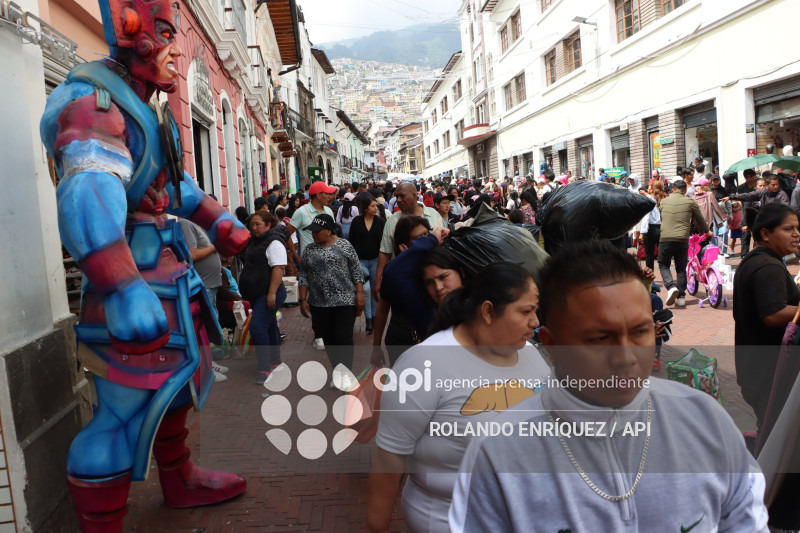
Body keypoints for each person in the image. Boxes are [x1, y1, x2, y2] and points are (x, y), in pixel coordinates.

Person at [39, 0, 251, 528]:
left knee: (176, 390)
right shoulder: (95, 101)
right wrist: (120, 288)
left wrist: (216, 217)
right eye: (164, 32)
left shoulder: (146, 110)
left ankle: (178, 479)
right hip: (134, 284)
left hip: (168, 280)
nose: (176, 49)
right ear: (131, 32)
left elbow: (166, 185)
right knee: (119, 415)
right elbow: (87, 195)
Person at [449, 240, 769, 533]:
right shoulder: (499, 452)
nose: (626, 357)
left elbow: (746, 522)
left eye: (641, 331)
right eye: (600, 338)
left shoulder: (704, 420)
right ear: (552, 344)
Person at [368, 263, 550, 533]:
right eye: (526, 311)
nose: (535, 322)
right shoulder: (423, 365)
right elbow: (389, 459)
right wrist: (376, 527)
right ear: (488, 311)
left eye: (535, 311)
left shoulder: (531, 355)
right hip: (451, 519)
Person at [733, 203, 800, 434]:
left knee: (770, 431)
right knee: (775, 436)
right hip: (767, 372)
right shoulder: (767, 266)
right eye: (788, 229)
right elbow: (774, 315)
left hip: (755, 367)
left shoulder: (756, 261)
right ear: (765, 233)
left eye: (798, 228)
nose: (796, 234)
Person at [298, 214, 365, 388]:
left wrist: (359, 293)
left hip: (345, 301)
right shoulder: (309, 250)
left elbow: (356, 271)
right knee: (329, 340)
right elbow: (303, 275)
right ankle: (337, 372)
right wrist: (302, 298)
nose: (313, 234)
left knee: (343, 338)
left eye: (317, 231)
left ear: (329, 230)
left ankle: (346, 374)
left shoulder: (345, 245)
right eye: (312, 231)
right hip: (319, 303)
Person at [238, 211, 288, 384]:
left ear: (268, 225)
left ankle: (265, 368)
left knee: (258, 327)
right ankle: (275, 362)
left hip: (268, 293)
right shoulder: (255, 240)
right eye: (252, 224)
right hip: (256, 293)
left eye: (258, 224)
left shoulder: (274, 242)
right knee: (269, 326)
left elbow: (278, 268)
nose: (254, 227)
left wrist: (272, 293)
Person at [287, 181, 337, 351]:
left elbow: (333, 233)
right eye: (327, 193)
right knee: (316, 298)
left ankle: (329, 328)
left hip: (330, 259)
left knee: (330, 294)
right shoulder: (302, 212)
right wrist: (296, 257)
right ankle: (319, 335)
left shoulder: (329, 211)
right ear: (317, 195)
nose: (330, 196)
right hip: (310, 260)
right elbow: (287, 234)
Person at [374, 182, 444, 299]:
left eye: (402, 196)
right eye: (396, 197)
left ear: (415, 196)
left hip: (433, 278)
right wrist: (377, 281)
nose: (399, 200)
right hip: (404, 281)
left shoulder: (434, 216)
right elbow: (384, 253)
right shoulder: (392, 222)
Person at [658, 179, 711, 307]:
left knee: (663, 264)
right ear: (685, 190)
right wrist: (707, 231)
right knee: (681, 267)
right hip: (682, 239)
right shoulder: (690, 202)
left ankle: (671, 286)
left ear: (672, 189)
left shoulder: (663, 202)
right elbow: (700, 219)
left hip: (665, 238)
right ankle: (681, 297)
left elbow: (662, 217)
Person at [348, 196, 386, 333]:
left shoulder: (380, 222)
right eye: (373, 206)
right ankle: (368, 318)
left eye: (376, 206)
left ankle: (374, 319)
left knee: (376, 290)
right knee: (366, 289)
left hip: (376, 260)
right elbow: (351, 242)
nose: (376, 208)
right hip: (360, 261)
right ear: (365, 208)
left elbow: (384, 243)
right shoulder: (356, 222)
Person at [639, 180, 666, 271]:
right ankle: (665, 273)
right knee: (662, 254)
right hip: (661, 228)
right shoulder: (664, 199)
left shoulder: (649, 200)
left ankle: (650, 274)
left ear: (653, 188)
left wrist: (642, 232)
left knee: (649, 254)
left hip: (650, 228)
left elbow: (646, 217)